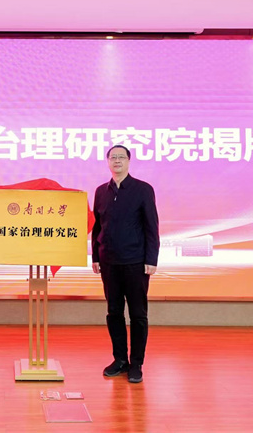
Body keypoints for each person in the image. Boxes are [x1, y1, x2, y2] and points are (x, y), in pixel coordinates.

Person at [91, 144, 160, 384]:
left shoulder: (143, 189)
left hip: (136, 263)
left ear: (129, 161)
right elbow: (97, 227)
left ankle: (136, 363)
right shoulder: (101, 191)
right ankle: (120, 359)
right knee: (114, 312)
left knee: (138, 314)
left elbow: (152, 227)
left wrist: (151, 259)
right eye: (113, 157)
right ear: (108, 162)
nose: (117, 161)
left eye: (121, 157)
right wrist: (95, 257)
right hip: (109, 262)